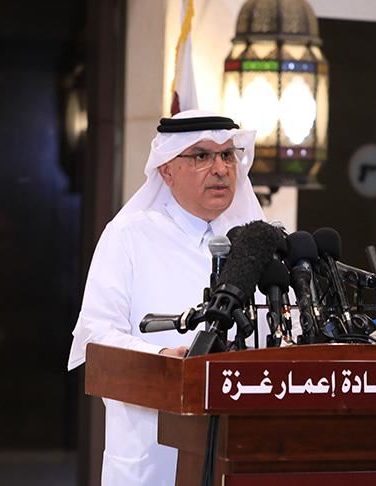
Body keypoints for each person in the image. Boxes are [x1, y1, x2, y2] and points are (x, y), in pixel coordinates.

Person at [67, 109, 264, 485]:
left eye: (227, 155)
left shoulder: (255, 241)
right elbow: (95, 334)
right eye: (202, 156)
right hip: (151, 454)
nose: (221, 169)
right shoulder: (128, 236)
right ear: (166, 170)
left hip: (240, 450)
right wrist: (161, 358)